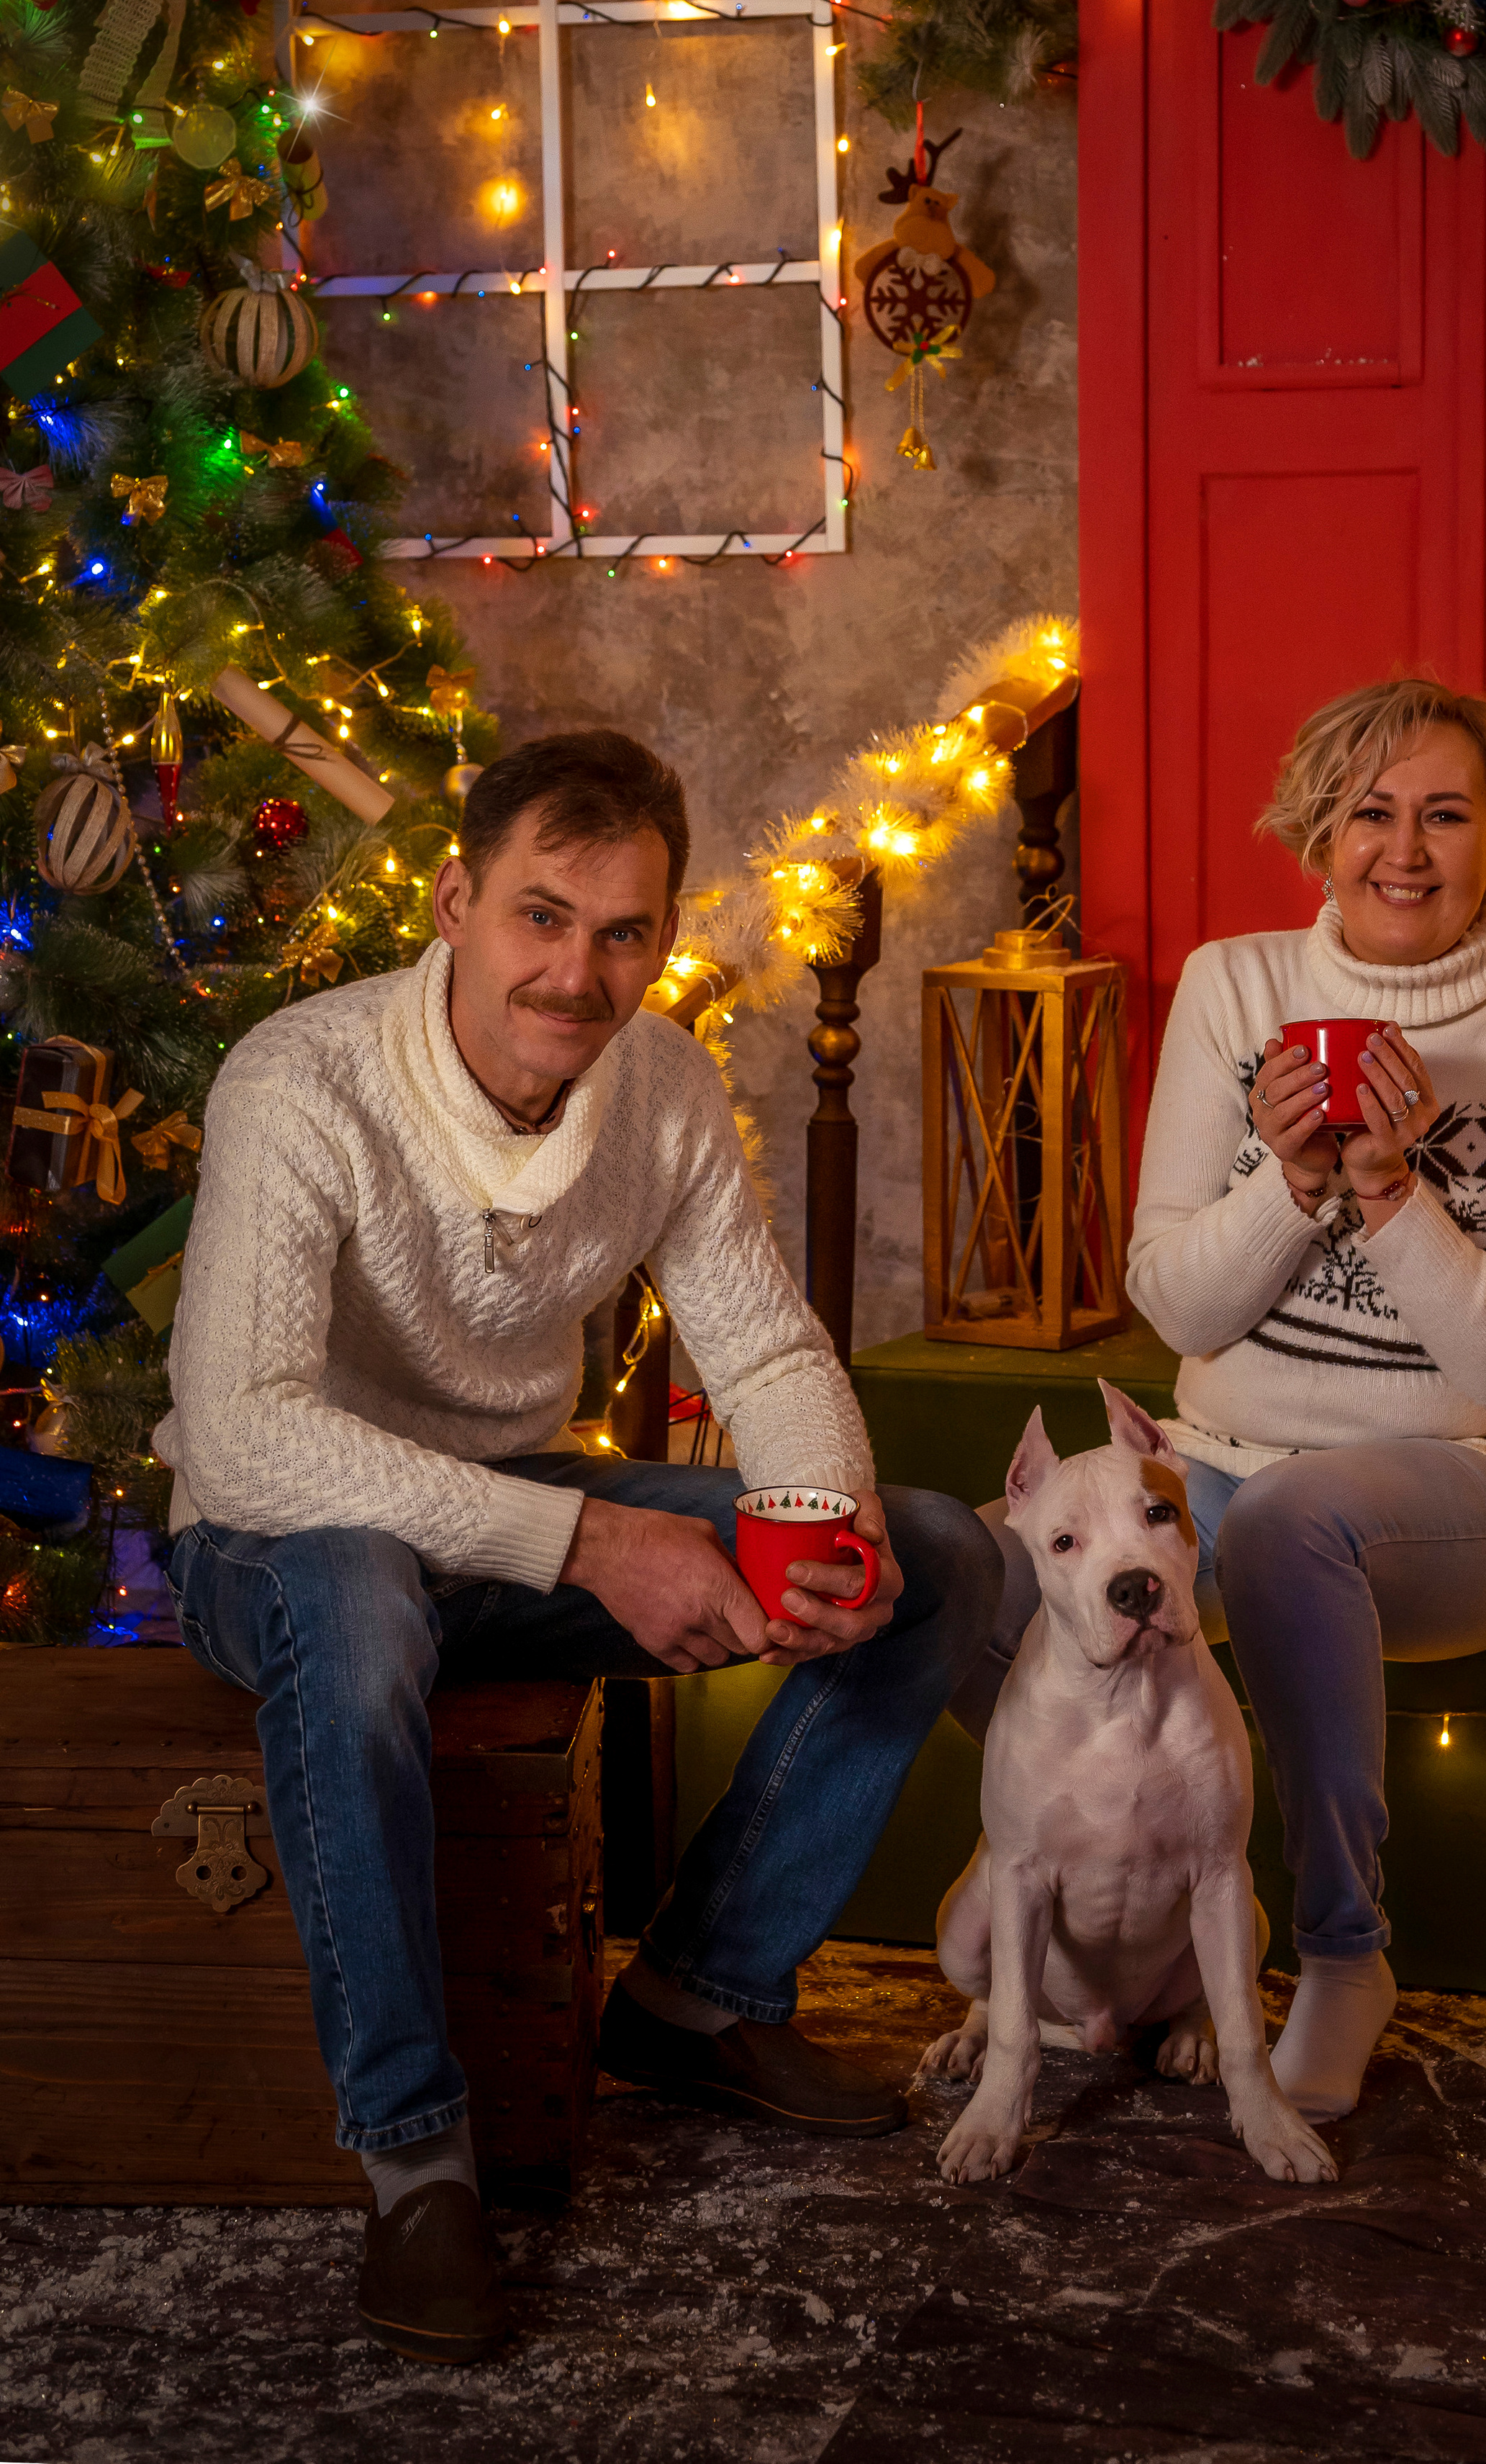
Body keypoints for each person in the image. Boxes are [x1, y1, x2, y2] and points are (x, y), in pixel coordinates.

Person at [158, 729, 1000, 2365]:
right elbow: (251, 1429)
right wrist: (588, 1539)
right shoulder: (299, 1076)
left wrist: (816, 1520)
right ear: (459, 900)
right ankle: (414, 2162)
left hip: (513, 1513)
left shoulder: (660, 1085)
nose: (578, 972)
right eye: (542, 917)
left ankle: (693, 1998)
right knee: (352, 1590)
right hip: (279, 1536)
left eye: (624, 931)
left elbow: (761, 1355)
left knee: (937, 1557)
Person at [953, 679, 1486, 2125]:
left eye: (1444, 812)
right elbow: (1179, 1310)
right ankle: (1102, 1910)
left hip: (1480, 1483)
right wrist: (1285, 1181)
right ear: (1315, 833)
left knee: (1283, 1525)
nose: (1403, 846)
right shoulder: (1235, 988)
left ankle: (1339, 1953)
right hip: (1214, 1457)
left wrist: (1385, 1187)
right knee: (961, 1565)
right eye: (1367, 811)